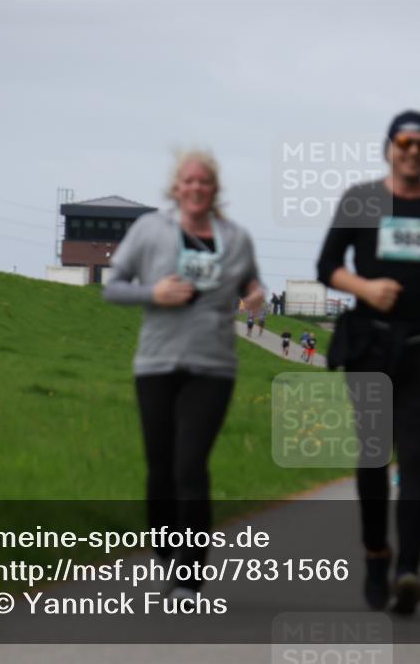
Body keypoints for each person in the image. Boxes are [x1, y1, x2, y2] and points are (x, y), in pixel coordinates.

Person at [316, 110, 420, 614]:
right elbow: (326, 266)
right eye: (405, 142)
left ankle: (408, 569)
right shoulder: (361, 199)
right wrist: (364, 286)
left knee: (413, 455)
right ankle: (375, 555)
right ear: (389, 146)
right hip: (370, 343)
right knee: (372, 456)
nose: (413, 151)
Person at [103, 149, 264, 601]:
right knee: (160, 466)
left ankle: (190, 576)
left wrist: (255, 294)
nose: (196, 188)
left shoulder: (236, 238)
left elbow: (251, 282)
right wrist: (153, 292)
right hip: (156, 363)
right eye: (188, 181)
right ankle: (166, 550)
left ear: (215, 190)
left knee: (190, 464)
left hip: (212, 366)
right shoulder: (150, 230)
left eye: (205, 182)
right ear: (176, 188)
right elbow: (112, 286)